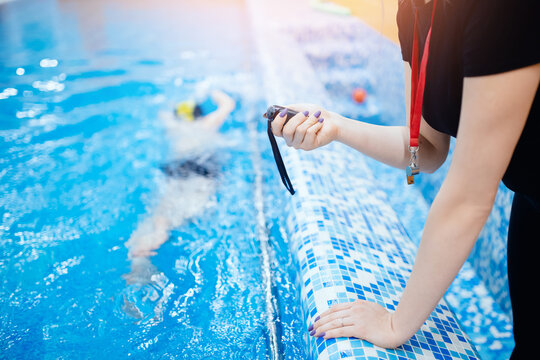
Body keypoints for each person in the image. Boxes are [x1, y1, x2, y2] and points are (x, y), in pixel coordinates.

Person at [270, 0, 539, 357]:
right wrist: (334, 126)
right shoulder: (414, 9)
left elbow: (469, 199)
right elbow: (426, 149)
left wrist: (396, 323)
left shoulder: (501, 10)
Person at [123, 89, 235, 285]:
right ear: (199, 116)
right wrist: (215, 91)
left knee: (160, 210)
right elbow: (228, 104)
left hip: (174, 170)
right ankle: (160, 230)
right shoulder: (206, 124)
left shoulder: (172, 125)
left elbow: (162, 113)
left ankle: (140, 259)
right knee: (180, 212)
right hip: (200, 169)